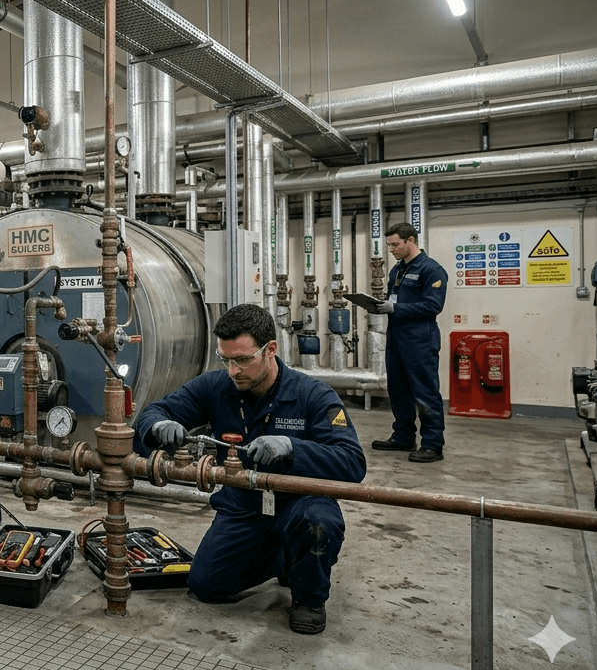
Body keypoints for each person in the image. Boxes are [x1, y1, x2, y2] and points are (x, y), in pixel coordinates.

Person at [134, 303, 366, 635]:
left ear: (270, 349)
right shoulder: (216, 387)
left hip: (298, 501)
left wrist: (292, 448)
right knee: (206, 585)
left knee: (318, 522)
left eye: (243, 360)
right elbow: (154, 411)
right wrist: (159, 426)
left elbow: (352, 461)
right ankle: (285, 556)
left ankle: (309, 599)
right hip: (244, 506)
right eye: (226, 360)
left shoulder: (313, 396)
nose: (233, 370)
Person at [370, 222, 449, 463]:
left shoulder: (431, 270)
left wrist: (395, 308)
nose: (391, 249)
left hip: (420, 341)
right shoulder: (397, 271)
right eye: (389, 245)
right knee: (398, 390)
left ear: (411, 241)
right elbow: (394, 299)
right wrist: (379, 305)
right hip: (396, 338)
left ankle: (433, 444)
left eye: (395, 244)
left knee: (425, 392)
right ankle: (403, 437)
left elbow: (433, 305)